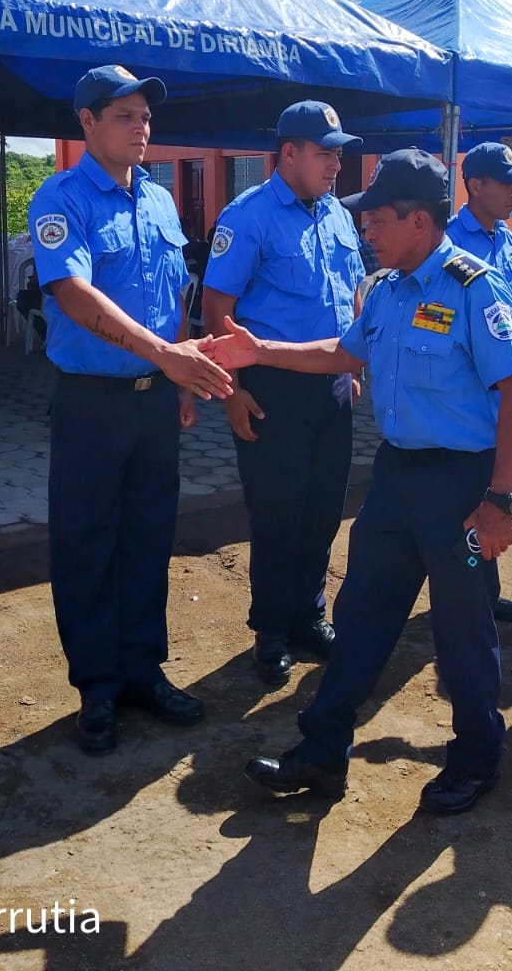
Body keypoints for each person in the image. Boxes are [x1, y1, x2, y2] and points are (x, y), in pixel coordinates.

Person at [210, 148, 512, 816]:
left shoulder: (475, 288)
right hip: (396, 481)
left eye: (378, 219)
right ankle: (322, 753)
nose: (367, 230)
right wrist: (258, 350)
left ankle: (478, 758)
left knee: (463, 628)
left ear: (418, 220)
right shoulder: (385, 290)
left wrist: (499, 500)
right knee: (360, 617)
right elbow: (342, 352)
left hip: (463, 488)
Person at [27, 65, 234, 756]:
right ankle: (97, 688)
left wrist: (175, 372)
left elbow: (170, 297)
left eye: (145, 116)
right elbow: (75, 294)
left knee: (148, 538)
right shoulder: (63, 198)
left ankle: (143, 672)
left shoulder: (159, 202)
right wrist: (169, 356)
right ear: (86, 123)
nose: (141, 128)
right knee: (88, 545)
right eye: (124, 116)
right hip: (91, 403)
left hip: (152, 404)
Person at [200, 101, 366, 686]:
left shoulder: (338, 216)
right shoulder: (248, 217)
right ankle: (270, 630)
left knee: (322, 511)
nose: (335, 165)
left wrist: (352, 365)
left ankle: (308, 617)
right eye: (325, 153)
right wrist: (231, 391)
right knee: (277, 516)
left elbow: (351, 295)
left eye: (339, 154)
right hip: (271, 389)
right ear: (288, 153)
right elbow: (216, 309)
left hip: (331, 387)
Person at [446, 141, 512, 625]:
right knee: (467, 492)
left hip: (504, 389)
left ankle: (485, 587)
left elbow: (504, 314)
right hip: (465, 392)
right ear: (475, 185)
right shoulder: (449, 241)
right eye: (506, 183)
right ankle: (464, 592)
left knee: (496, 488)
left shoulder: (508, 239)